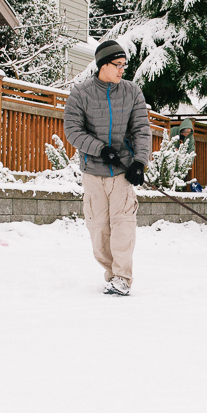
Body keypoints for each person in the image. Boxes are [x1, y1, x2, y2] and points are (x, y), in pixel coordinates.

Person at [64, 40, 152, 296]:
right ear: (103, 64)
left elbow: (141, 130)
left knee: (123, 224)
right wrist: (100, 149)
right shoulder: (80, 93)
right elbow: (72, 130)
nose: (122, 69)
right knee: (99, 229)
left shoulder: (132, 92)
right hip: (94, 171)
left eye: (124, 65)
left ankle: (122, 278)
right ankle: (112, 273)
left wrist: (139, 162)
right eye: (118, 64)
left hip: (123, 172)